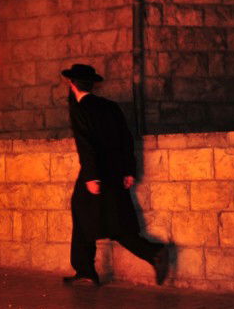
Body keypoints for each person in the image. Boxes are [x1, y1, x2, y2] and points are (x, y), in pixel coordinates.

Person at [60, 63, 169, 286]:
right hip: (115, 172)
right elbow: (125, 138)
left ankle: (152, 252)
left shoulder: (80, 108)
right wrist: (128, 170)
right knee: (103, 218)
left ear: (72, 84)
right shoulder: (109, 106)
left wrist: (91, 177)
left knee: (109, 221)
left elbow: (86, 144)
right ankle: (86, 268)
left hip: (97, 172)